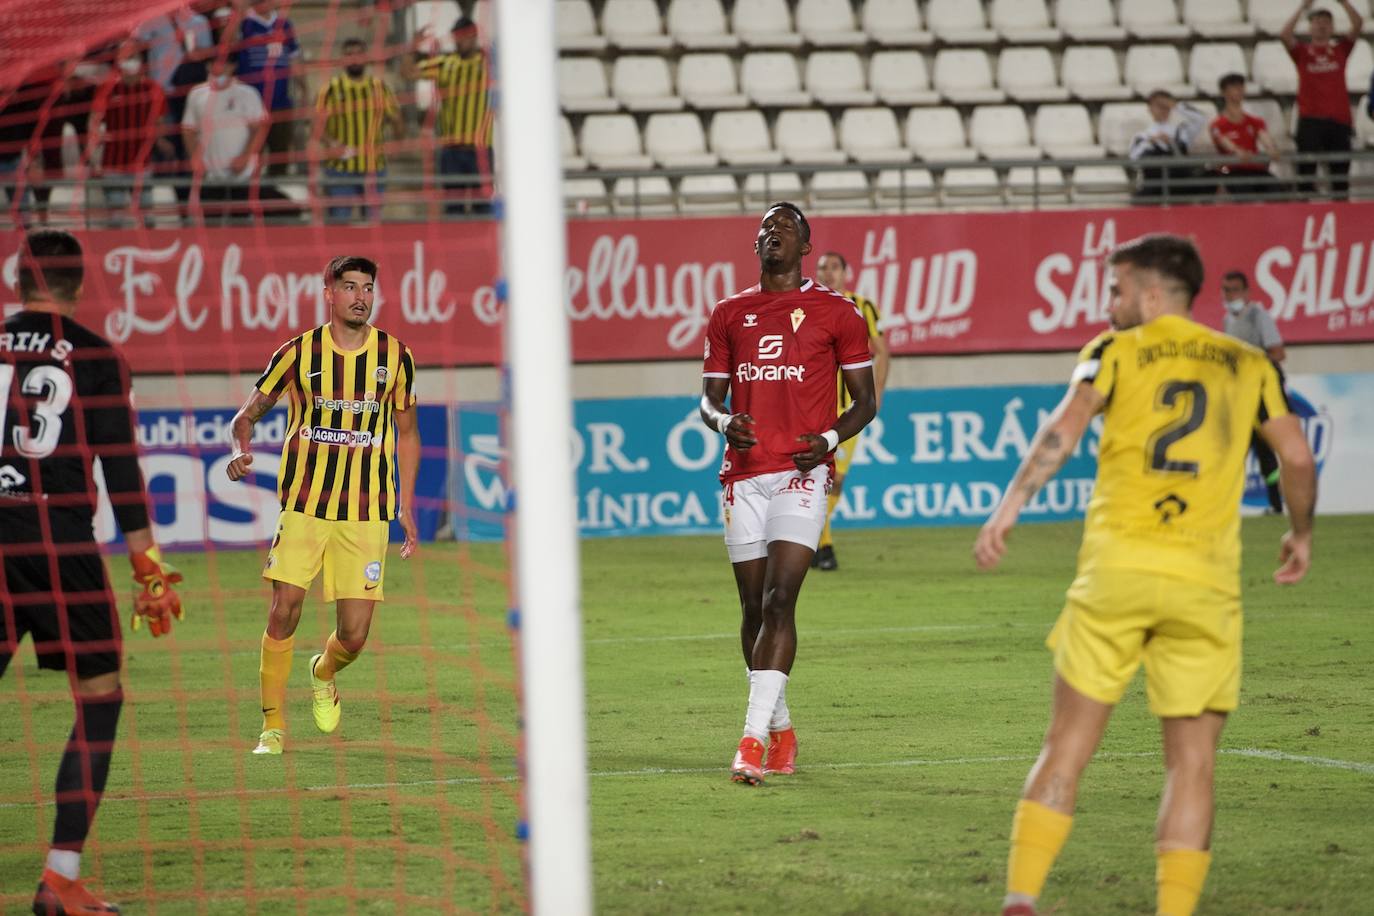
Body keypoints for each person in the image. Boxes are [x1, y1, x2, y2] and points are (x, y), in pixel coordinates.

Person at [973, 234, 1317, 916]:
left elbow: (1064, 430)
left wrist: (1009, 506)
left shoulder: (1113, 352)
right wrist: (1301, 534)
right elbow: (1297, 458)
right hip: (1203, 584)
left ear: (1151, 293)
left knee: (1065, 747)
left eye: (1116, 288)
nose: (1109, 303)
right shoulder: (1250, 363)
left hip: (1116, 573)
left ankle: (1021, 897)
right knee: (1192, 764)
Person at [1, 229, 184, 915]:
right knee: (99, 698)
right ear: (79, 287)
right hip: (58, 546)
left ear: (17, 281)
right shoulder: (97, 356)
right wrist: (149, 572)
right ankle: (59, 879)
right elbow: (123, 473)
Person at [699, 203, 877, 785]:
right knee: (752, 610)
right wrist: (725, 424)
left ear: (806, 246)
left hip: (802, 475)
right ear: (756, 245)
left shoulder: (838, 313)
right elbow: (707, 401)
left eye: (786, 227)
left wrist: (827, 439)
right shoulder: (729, 313)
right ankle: (782, 728)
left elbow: (866, 402)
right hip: (742, 476)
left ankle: (750, 743)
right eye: (765, 227)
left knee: (779, 601)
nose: (772, 233)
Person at [226, 255, 420, 757]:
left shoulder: (396, 356)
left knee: (354, 636)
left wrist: (406, 503)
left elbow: (408, 432)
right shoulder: (297, 353)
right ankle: (272, 726)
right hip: (306, 505)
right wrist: (238, 450)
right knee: (284, 610)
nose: (361, 297)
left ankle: (324, 670)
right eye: (350, 287)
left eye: (368, 288)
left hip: (367, 511)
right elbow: (244, 418)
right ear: (329, 293)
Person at [811, 250, 888, 571]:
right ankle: (822, 547)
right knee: (818, 475)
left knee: (836, 479)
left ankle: (817, 543)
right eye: (821, 268)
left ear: (846, 272)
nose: (827, 273)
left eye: (833, 267)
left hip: (850, 407)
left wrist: (876, 393)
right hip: (816, 405)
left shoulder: (863, 306)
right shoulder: (809, 307)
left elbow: (882, 352)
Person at [402, 16, 493, 216]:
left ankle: (484, 247)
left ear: (475, 37)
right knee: (453, 210)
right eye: (457, 38)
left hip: (481, 149)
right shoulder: (445, 63)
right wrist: (412, 47)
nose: (460, 42)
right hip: (452, 151)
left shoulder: (488, 64)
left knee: (484, 210)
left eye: (465, 37)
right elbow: (407, 73)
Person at [313, 36, 402, 222]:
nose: (354, 58)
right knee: (339, 222)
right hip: (339, 168)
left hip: (373, 167)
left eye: (358, 54)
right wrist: (331, 143)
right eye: (349, 54)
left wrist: (397, 143)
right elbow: (316, 124)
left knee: (371, 224)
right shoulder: (329, 89)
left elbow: (396, 119)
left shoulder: (380, 87)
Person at [1281, 0, 1363, 198]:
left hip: (1339, 120)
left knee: (1340, 177)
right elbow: (1285, 34)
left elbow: (1358, 24)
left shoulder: (1340, 50)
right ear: (1310, 27)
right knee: (1306, 176)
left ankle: (1342, 221)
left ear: (1332, 27)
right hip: (1310, 120)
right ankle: (1304, 220)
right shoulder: (1302, 52)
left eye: (1326, 21)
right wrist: (1303, 7)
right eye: (1317, 21)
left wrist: (1343, 2)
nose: (1322, 25)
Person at [1221, 270, 1287, 514]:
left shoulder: (1259, 316)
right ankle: (1225, 508)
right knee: (1234, 453)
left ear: (1246, 292)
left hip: (1261, 395)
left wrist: (1251, 367)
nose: (1230, 295)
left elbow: (1278, 353)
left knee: (1267, 453)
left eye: (1235, 290)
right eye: (1226, 290)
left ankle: (1277, 505)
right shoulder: (1227, 321)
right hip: (1240, 397)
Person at [87, 40, 169, 228]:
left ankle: (149, 254)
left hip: (142, 165)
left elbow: (160, 122)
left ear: (140, 60)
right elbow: (94, 120)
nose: (129, 61)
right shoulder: (107, 89)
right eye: (125, 57)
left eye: (133, 57)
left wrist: (160, 140)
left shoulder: (153, 89)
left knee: (147, 218)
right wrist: (93, 148)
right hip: (113, 164)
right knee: (115, 220)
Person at [182, 47, 269, 220]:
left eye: (223, 64)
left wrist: (245, 156)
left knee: (241, 225)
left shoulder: (247, 93)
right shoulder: (197, 94)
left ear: (232, 67)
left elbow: (260, 127)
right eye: (213, 64)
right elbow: (188, 129)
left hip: (242, 175)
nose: (218, 68)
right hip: (210, 175)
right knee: (209, 225)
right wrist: (196, 159)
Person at [237, 0, 303, 176]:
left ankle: (274, 198)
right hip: (251, 106)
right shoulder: (244, 23)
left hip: (280, 103)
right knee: (251, 156)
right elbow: (227, 47)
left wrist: (304, 89)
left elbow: (295, 59)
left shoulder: (285, 24)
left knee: (280, 156)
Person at [1208, 73, 1285, 199]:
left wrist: (1272, 149)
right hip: (1234, 172)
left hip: (1257, 170)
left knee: (1276, 189)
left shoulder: (1255, 121)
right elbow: (1226, 143)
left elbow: (1265, 138)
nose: (1239, 90)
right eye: (1234, 87)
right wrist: (1237, 151)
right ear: (1224, 92)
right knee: (1244, 192)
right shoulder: (1217, 125)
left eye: (1241, 86)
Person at [1128, 89, 1211, 201]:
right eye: (1157, 105)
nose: (1162, 109)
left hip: (1181, 188)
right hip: (1153, 188)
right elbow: (1133, 162)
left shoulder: (1181, 131)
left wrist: (1176, 105)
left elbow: (1201, 119)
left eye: (1165, 105)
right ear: (1149, 108)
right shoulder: (1142, 136)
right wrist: (1151, 141)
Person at [135, 2, 214, 90]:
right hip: (161, 88)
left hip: (191, 87)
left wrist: (196, 54)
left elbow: (208, 52)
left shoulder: (199, 21)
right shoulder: (152, 20)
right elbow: (135, 43)